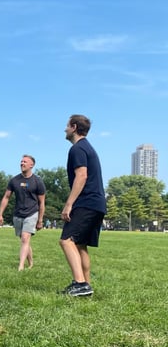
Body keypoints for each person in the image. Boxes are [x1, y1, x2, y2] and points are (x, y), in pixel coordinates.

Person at [59, 114, 106, 297]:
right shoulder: (89, 148)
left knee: (66, 240)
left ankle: (80, 284)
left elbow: (82, 176)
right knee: (80, 244)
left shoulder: (77, 148)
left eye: (67, 125)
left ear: (74, 127)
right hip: (97, 203)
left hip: (86, 202)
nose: (65, 129)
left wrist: (68, 204)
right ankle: (86, 285)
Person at [0, 155, 46, 270]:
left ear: (31, 165)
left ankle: (21, 266)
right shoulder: (14, 180)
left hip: (32, 213)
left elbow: (42, 203)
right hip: (18, 214)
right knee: (24, 240)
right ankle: (31, 263)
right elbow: (6, 197)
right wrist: (0, 214)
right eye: (21, 161)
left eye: (25, 161)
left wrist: (40, 220)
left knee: (25, 238)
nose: (22, 163)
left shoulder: (37, 181)